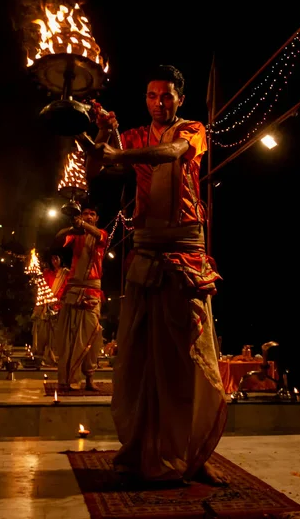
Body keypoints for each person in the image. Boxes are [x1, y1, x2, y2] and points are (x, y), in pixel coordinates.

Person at [86, 64, 228, 484]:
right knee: (139, 356)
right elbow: (97, 168)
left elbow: (170, 154)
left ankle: (192, 452)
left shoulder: (192, 128)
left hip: (184, 249)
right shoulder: (133, 137)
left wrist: (120, 154)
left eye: (166, 95)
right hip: (146, 249)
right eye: (151, 95)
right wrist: (100, 131)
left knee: (187, 357)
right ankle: (146, 449)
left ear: (179, 97)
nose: (159, 103)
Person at [55, 206, 108, 390]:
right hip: (74, 288)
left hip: (92, 290)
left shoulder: (100, 233)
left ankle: (89, 380)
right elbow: (59, 237)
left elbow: (96, 233)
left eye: (92, 214)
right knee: (70, 336)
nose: (88, 216)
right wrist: (72, 227)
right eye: (85, 213)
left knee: (92, 335)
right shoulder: (76, 235)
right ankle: (66, 380)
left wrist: (83, 224)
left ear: (97, 218)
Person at [32, 254, 69, 366]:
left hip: (60, 306)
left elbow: (67, 288)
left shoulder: (65, 273)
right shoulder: (47, 273)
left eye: (56, 258)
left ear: (61, 259)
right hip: (46, 306)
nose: (54, 261)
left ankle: (59, 357)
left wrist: (59, 301)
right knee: (45, 331)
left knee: (58, 333)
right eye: (52, 259)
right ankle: (46, 355)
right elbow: (42, 288)